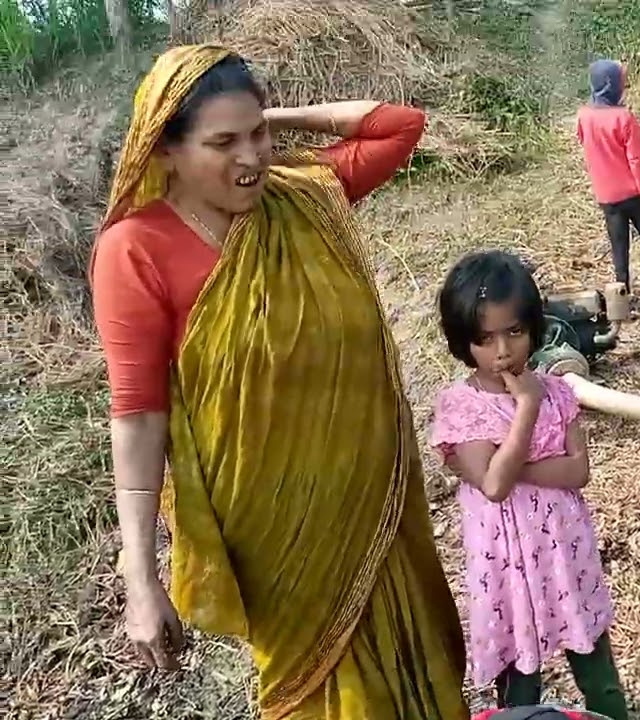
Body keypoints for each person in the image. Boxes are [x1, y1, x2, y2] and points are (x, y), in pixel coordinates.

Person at [89, 45, 468, 719]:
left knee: (414, 665)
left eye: (258, 133)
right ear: (164, 150)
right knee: (314, 689)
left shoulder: (302, 197)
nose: (251, 158)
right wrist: (140, 576)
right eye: (222, 143)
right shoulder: (135, 249)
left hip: (372, 499)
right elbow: (139, 416)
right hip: (273, 527)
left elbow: (398, 125)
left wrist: (274, 117)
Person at [430, 251, 627, 720]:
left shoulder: (558, 392)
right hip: (506, 570)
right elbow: (495, 486)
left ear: (534, 327)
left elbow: (577, 471)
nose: (502, 351)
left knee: (597, 670)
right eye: (485, 339)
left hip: (565, 557)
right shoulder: (462, 406)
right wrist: (526, 410)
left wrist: (506, 462)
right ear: (462, 340)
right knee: (520, 687)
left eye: (514, 332)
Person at [575, 59, 640, 307]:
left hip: (607, 195)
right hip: (634, 193)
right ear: (613, 85)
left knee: (619, 246)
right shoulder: (624, 117)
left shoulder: (584, 116)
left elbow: (583, 140)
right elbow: (637, 160)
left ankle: (621, 299)